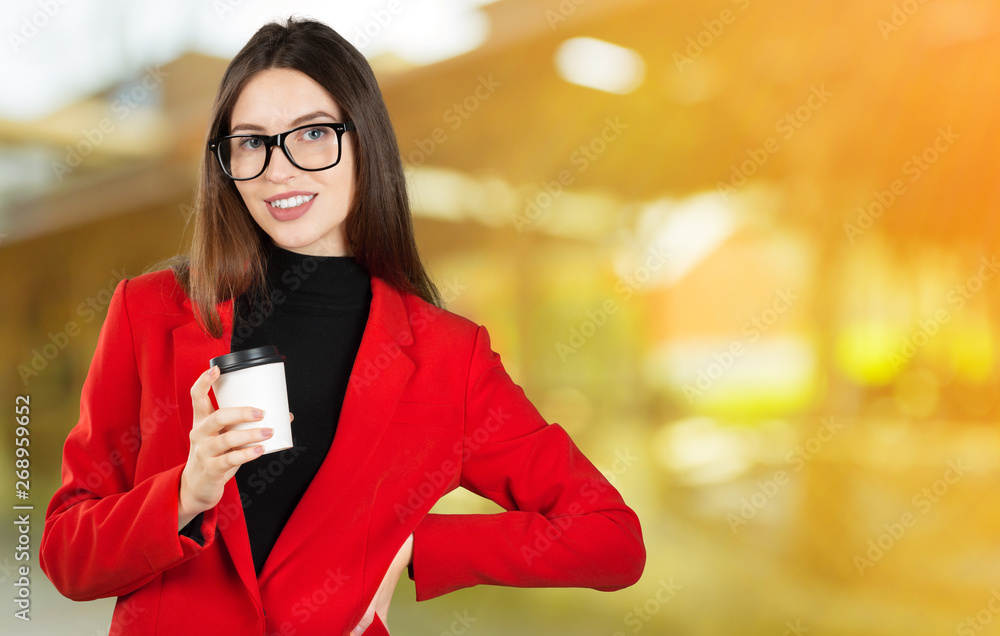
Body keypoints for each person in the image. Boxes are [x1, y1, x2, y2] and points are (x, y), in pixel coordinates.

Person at [39, 16, 645, 636]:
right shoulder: (152, 311)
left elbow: (610, 537)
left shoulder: (446, 358)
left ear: (364, 141)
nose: (277, 169)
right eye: (251, 142)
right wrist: (188, 492)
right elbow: (66, 556)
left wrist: (416, 546)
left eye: (312, 134)